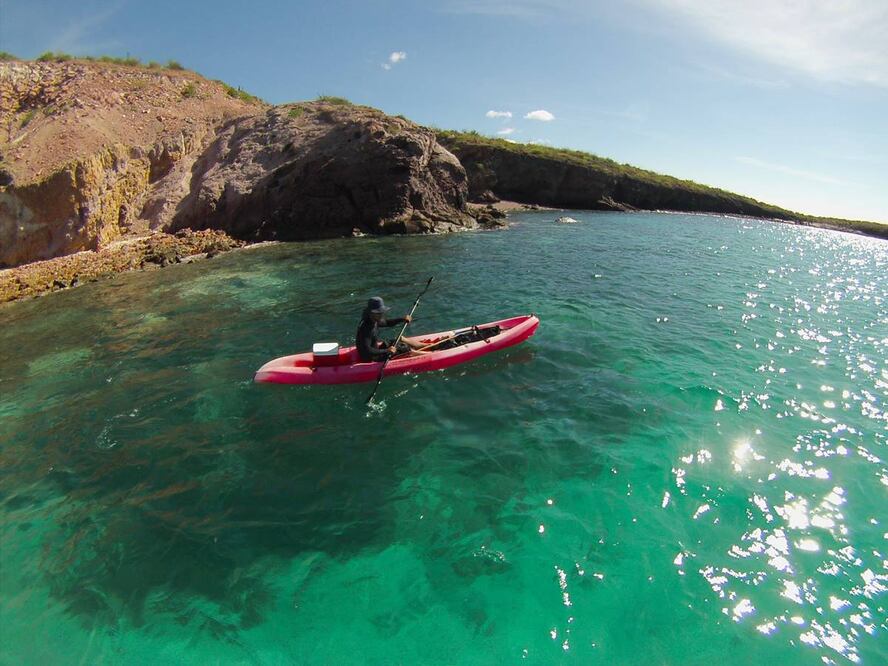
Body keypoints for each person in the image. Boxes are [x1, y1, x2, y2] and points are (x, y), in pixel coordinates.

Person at [356, 296, 424, 362]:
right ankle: (426, 354)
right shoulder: (366, 329)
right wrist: (387, 350)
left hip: (376, 351)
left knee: (396, 341)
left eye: (382, 312)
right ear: (371, 313)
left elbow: (387, 322)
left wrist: (402, 319)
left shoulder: (374, 320)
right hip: (373, 358)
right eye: (379, 313)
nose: (381, 315)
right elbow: (368, 350)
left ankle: (422, 346)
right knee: (403, 349)